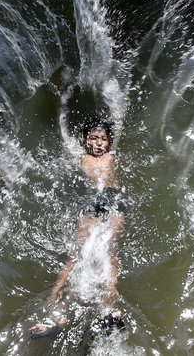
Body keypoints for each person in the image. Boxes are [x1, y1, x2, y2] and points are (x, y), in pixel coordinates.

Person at [31, 117, 126, 338]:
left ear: (109, 143)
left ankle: (108, 311)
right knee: (76, 256)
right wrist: (60, 112)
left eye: (103, 139)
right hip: (90, 200)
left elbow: (115, 131)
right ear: (86, 141)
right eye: (94, 138)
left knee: (109, 255)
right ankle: (56, 315)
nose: (99, 143)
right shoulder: (81, 157)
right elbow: (67, 139)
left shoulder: (111, 157)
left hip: (113, 200)